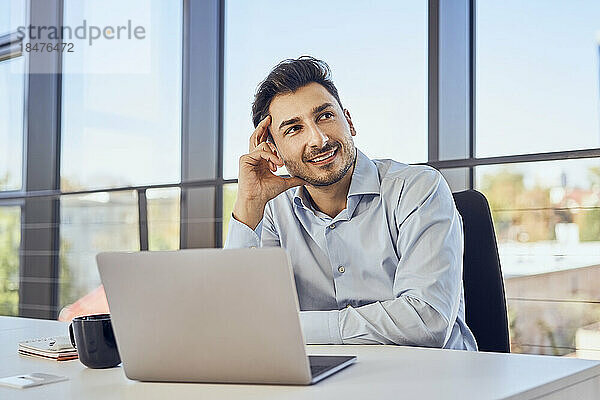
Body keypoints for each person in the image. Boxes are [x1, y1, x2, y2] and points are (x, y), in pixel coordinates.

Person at [59, 55, 477, 351]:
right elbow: (232, 314)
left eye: (325, 116)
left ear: (349, 121)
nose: (317, 138)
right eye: (294, 128)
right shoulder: (275, 211)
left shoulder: (418, 189)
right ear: (273, 146)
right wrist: (249, 204)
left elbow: (426, 323)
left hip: (431, 379)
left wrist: (291, 329)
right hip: (329, 379)